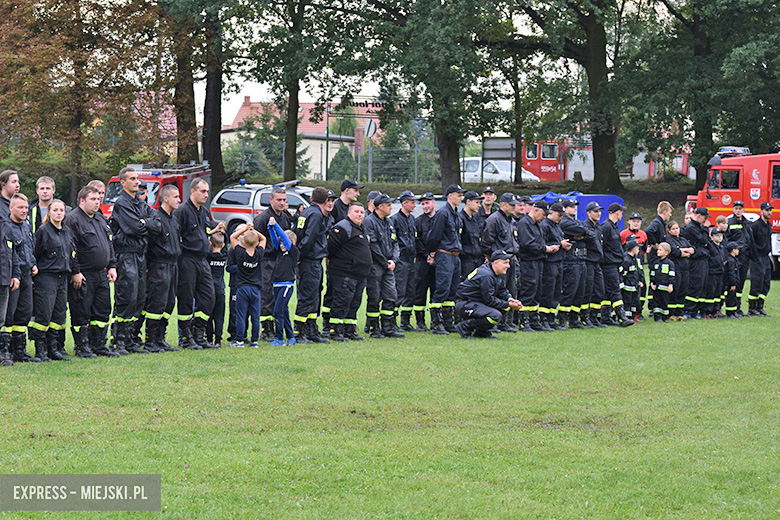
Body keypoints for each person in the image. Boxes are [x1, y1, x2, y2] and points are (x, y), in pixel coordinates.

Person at [109, 167, 162, 354]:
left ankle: (131, 340)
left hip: (140, 254)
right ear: (122, 182)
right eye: (132, 178)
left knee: (139, 298)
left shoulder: (140, 204)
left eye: (137, 178)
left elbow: (158, 223)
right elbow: (133, 228)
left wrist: (144, 223)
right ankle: (118, 340)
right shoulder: (122, 204)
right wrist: (144, 224)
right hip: (126, 255)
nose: (136, 181)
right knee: (127, 296)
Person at [65, 186, 118, 358]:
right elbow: (70, 248)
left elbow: (108, 243)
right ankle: (82, 346)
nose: (97, 202)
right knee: (81, 310)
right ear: (82, 201)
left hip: (101, 273)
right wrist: (75, 271)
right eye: (93, 199)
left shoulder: (100, 218)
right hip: (83, 274)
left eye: (98, 199)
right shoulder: (73, 220)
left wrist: (112, 265)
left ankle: (99, 345)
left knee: (102, 310)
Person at [175, 178, 226, 349]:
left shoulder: (204, 212)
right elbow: (176, 236)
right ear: (193, 191)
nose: (206, 194)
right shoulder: (182, 211)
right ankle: (186, 338)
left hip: (203, 260)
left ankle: (199, 334)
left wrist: (217, 229)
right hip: (187, 259)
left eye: (207, 191)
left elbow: (204, 232)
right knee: (186, 299)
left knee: (208, 297)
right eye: (203, 191)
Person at [29, 199, 73, 362]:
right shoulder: (43, 231)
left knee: (59, 314)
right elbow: (36, 252)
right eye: (55, 210)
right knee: (44, 314)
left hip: (63, 277)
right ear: (49, 212)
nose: (59, 213)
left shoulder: (67, 231)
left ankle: (52, 348)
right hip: (47, 277)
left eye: (61, 210)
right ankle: (40, 349)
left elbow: (71, 252)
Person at [321, 179, 363, 336]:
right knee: (332, 291)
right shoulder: (335, 207)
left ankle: (346, 326)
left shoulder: (351, 208)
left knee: (347, 294)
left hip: (348, 260)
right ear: (346, 190)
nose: (358, 193)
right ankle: (327, 323)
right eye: (355, 190)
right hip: (336, 259)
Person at [143, 184, 182, 353]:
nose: (179, 200)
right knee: (156, 303)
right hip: (159, 265)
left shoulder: (174, 219)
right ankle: (150, 340)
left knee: (169, 303)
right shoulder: (156, 218)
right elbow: (148, 245)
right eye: (175, 197)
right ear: (165, 198)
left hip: (173, 265)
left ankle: (160, 338)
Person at [294, 187, 334, 343]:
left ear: (311, 199)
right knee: (307, 296)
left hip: (311, 260)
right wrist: (300, 256)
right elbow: (309, 238)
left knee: (314, 295)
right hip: (310, 260)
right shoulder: (317, 215)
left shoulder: (306, 213)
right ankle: (299, 331)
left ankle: (311, 329)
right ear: (325, 201)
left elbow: (298, 234)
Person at [327, 202, 372, 342]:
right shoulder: (342, 227)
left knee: (354, 303)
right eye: (356, 212)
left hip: (360, 274)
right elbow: (330, 248)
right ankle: (335, 331)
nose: (359, 214)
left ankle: (350, 330)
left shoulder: (361, 228)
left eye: (362, 212)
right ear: (349, 213)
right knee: (341, 302)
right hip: (344, 273)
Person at [454, 250, 523, 339]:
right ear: (495, 263)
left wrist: (510, 299)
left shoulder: (497, 273)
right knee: (495, 315)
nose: (508, 266)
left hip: (475, 303)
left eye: (508, 263)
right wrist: (508, 304)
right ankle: (465, 327)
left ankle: (482, 332)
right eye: (505, 263)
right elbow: (489, 300)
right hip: (465, 304)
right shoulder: (486, 275)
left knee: (504, 307)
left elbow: (502, 291)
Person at [253, 187, 292, 341]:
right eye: (279, 200)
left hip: (281, 261)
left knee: (279, 296)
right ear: (271, 200)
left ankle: (278, 327)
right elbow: (254, 242)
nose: (282, 203)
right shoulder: (262, 218)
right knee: (266, 295)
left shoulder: (284, 218)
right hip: (266, 261)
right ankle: (266, 330)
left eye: (284, 200)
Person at [426, 184, 466, 334]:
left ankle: (448, 322)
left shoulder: (456, 213)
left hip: (455, 256)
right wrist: (432, 253)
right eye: (458, 195)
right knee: (442, 288)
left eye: (462, 195)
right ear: (450, 196)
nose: (461, 198)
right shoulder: (443, 214)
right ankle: (436, 323)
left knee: (452, 290)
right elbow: (434, 236)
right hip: (445, 254)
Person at [364, 193, 404, 339]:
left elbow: (395, 243)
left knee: (391, 296)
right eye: (388, 205)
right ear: (380, 207)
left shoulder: (389, 222)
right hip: (376, 266)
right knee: (374, 297)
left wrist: (393, 260)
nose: (391, 207)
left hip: (389, 265)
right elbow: (373, 246)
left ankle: (388, 327)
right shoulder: (369, 222)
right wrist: (384, 262)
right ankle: (374, 328)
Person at [5, 194, 38, 362]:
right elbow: (11, 255)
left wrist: (33, 263)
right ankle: (5, 350)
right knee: (9, 314)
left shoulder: (25, 226)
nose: (24, 210)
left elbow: (29, 248)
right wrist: (15, 274)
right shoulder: (6, 227)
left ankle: (20, 350)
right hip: (12, 276)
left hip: (27, 275)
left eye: (26, 207)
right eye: (20, 207)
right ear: (11, 208)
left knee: (24, 312)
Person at [516, 200, 558, 332]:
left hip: (538, 261)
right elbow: (527, 243)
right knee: (528, 290)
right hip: (529, 262)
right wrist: (545, 248)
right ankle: (524, 321)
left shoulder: (537, 224)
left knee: (537, 292)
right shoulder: (524, 223)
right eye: (543, 214)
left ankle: (534, 320)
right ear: (535, 210)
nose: (544, 217)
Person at [481, 193, 520, 332]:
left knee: (510, 290)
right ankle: (495, 322)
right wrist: (492, 258)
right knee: (497, 290)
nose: (514, 207)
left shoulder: (512, 220)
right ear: (503, 204)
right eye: (511, 205)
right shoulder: (494, 219)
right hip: (499, 260)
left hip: (511, 258)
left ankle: (506, 322)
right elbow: (486, 242)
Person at [228, 224, 266, 347]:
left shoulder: (239, 252)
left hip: (242, 288)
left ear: (243, 241)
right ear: (256, 243)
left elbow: (232, 237)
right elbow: (264, 239)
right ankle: (254, 340)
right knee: (255, 315)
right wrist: (253, 230)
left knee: (240, 314)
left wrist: (245, 229)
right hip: (255, 289)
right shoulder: (259, 253)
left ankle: (239, 340)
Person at [600, 202, 634, 327]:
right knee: (615, 290)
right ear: (616, 212)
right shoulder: (606, 227)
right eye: (621, 211)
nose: (622, 214)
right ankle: (622, 316)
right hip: (608, 264)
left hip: (614, 263)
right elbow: (602, 246)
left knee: (608, 292)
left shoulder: (614, 226)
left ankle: (605, 316)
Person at [559, 198, 590, 329]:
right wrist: (581, 233)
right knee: (569, 291)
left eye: (575, 206)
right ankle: (562, 319)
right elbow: (583, 231)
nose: (575, 208)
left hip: (581, 259)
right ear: (565, 209)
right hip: (570, 260)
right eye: (571, 206)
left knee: (580, 292)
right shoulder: (564, 222)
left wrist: (581, 235)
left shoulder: (577, 222)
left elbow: (588, 233)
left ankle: (574, 319)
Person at [267, 218, 299, 346]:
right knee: (284, 312)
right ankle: (291, 337)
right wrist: (270, 227)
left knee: (277, 311)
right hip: (276, 285)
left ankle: (279, 338)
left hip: (287, 285)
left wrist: (276, 225)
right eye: (280, 243)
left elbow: (284, 239)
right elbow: (275, 238)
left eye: (283, 243)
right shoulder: (279, 252)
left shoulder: (293, 253)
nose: (281, 245)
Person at [539, 202, 571, 330]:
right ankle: (543, 319)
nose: (561, 218)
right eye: (559, 215)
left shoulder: (557, 226)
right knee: (548, 291)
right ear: (551, 212)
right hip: (549, 263)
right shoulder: (545, 226)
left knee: (556, 292)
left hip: (559, 261)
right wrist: (560, 244)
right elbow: (544, 244)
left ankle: (552, 319)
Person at [390, 191, 418, 331]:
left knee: (411, 292)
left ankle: (405, 321)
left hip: (411, 260)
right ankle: (392, 320)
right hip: (401, 261)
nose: (414, 205)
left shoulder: (412, 219)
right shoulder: (394, 219)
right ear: (404, 203)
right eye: (412, 202)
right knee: (399, 291)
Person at [412, 192, 436, 331]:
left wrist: (435, 256)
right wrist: (427, 255)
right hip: (422, 262)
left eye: (427, 203)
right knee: (420, 292)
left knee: (436, 291)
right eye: (423, 204)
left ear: (434, 203)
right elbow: (417, 241)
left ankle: (435, 320)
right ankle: (420, 321)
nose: (425, 206)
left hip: (438, 262)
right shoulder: (418, 221)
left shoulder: (440, 218)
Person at [681, 207, 711, 318]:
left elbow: (705, 242)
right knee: (695, 284)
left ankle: (696, 309)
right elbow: (704, 240)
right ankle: (688, 310)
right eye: (704, 217)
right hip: (695, 260)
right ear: (698, 215)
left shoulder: (698, 227)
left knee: (702, 285)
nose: (705, 220)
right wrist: (706, 229)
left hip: (703, 258)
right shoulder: (692, 228)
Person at [725, 200, 753, 316]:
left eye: (740, 208)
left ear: (743, 210)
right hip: (735, 257)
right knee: (733, 283)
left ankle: (738, 307)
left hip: (745, 257)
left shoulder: (747, 222)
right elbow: (726, 239)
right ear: (733, 210)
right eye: (736, 208)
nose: (738, 210)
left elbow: (750, 239)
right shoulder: (729, 222)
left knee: (741, 283)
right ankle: (731, 308)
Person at [645, 201, 673, 314]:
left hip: (659, 257)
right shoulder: (657, 223)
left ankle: (659, 306)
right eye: (669, 213)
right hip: (655, 257)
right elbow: (648, 231)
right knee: (655, 281)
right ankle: (652, 307)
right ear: (665, 212)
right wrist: (655, 244)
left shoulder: (661, 223)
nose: (670, 215)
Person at [583, 201, 606, 327]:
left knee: (599, 291)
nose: (598, 213)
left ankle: (594, 317)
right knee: (588, 290)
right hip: (589, 262)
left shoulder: (599, 227)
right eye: (595, 211)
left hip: (598, 263)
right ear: (588, 213)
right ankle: (585, 317)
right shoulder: (585, 227)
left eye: (599, 211)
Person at [0, 213, 19, 366]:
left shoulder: (6, 226)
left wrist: (15, 274)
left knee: (1, 319)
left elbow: (12, 254)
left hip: (4, 278)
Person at [748, 201, 773, 316]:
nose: (769, 212)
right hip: (757, 257)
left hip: (766, 257)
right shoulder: (755, 226)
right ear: (761, 211)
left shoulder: (769, 225)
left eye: (770, 210)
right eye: (767, 210)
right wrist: (754, 256)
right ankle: (752, 308)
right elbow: (751, 242)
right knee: (756, 282)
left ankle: (760, 306)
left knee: (766, 282)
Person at [666, 221, 694, 321]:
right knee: (675, 291)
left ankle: (679, 312)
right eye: (673, 229)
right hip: (676, 269)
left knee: (683, 290)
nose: (676, 230)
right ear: (669, 231)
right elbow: (675, 252)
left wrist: (683, 250)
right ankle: (671, 313)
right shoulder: (669, 241)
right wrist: (684, 251)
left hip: (685, 269)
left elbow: (692, 250)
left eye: (677, 228)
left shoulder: (683, 240)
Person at [206, 233, 228, 347]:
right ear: (223, 245)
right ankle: (218, 340)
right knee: (219, 316)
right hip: (220, 289)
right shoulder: (223, 256)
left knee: (209, 315)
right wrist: (224, 233)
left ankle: (209, 338)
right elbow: (226, 246)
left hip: (209, 289)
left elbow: (205, 247)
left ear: (210, 244)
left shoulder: (208, 256)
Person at [459, 191, 484, 281]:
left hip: (478, 261)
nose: (479, 205)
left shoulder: (475, 219)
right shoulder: (460, 219)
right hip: (465, 262)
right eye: (477, 202)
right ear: (468, 202)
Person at [649, 242, 675, 322]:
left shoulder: (669, 263)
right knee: (656, 302)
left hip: (665, 287)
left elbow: (671, 275)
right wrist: (652, 283)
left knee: (664, 302)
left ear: (666, 253)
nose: (658, 251)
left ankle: (665, 317)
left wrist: (671, 285)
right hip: (656, 287)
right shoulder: (656, 263)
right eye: (658, 250)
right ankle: (657, 317)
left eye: (660, 250)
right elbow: (652, 273)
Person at [705, 227, 726, 318]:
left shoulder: (721, 247)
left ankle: (716, 310)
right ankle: (708, 311)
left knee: (718, 292)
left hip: (720, 273)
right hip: (712, 273)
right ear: (712, 237)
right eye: (717, 236)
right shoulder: (710, 246)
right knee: (711, 292)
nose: (719, 237)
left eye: (721, 235)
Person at [619, 240, 643, 321]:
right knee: (627, 302)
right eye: (638, 249)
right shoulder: (627, 260)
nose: (639, 251)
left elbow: (635, 273)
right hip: (628, 286)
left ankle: (632, 317)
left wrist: (638, 282)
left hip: (634, 285)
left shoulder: (634, 259)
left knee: (634, 302)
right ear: (634, 249)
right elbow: (622, 274)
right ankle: (627, 317)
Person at [723, 241, 741, 318]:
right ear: (733, 250)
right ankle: (729, 313)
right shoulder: (731, 260)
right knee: (730, 298)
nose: (738, 251)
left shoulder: (733, 259)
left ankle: (733, 312)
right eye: (737, 249)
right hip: (730, 284)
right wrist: (732, 284)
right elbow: (731, 273)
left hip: (734, 282)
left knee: (734, 298)